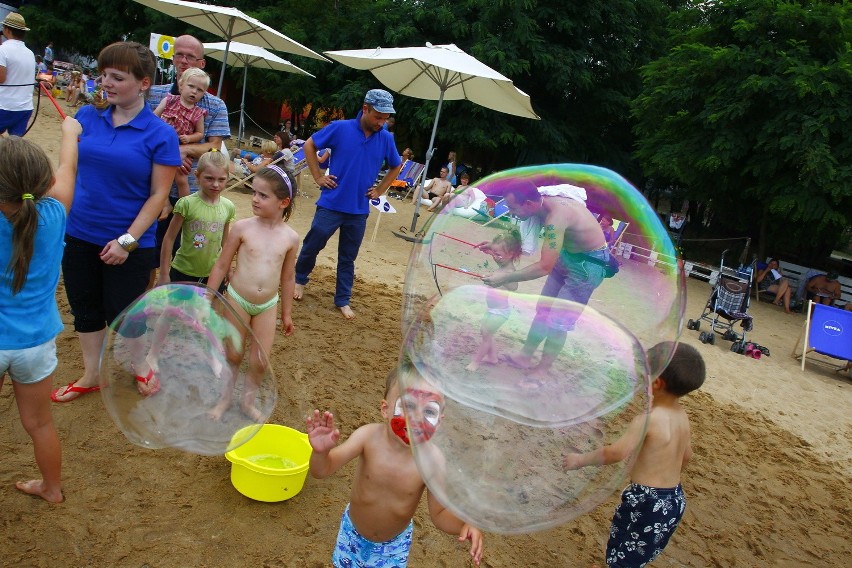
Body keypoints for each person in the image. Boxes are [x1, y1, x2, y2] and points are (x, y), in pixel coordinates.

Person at [51, 41, 181, 403]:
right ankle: (92, 373)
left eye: (117, 77)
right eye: (103, 74)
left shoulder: (160, 134)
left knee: (128, 316)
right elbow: (70, 170)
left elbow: (159, 196)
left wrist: (128, 241)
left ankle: (140, 366)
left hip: (131, 242)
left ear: (143, 84)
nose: (105, 82)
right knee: (85, 307)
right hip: (79, 233)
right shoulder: (87, 118)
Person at [306, 364, 484, 567]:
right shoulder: (367, 437)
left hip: (392, 548)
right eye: (408, 405)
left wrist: (465, 525)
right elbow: (321, 470)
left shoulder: (432, 461)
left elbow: (439, 515)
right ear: (385, 409)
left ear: (439, 422)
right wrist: (321, 453)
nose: (416, 418)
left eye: (429, 411)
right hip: (352, 535)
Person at [563, 341, 706, 568]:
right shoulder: (682, 416)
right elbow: (686, 456)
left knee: (626, 548)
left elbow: (616, 452)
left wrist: (580, 460)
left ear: (656, 383)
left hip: (647, 501)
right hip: (674, 500)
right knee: (633, 548)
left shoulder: (647, 420)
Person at [0, 118, 81, 503]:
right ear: (43, 184)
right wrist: (70, 133)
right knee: (39, 423)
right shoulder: (53, 214)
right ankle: (52, 489)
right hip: (36, 344)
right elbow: (68, 169)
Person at [481, 181, 610, 384]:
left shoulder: (555, 219)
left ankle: (542, 369)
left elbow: (544, 267)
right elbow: (522, 237)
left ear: (530, 204)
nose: (512, 213)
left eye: (514, 209)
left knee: (558, 321)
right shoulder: (540, 203)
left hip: (588, 266)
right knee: (544, 309)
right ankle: (525, 356)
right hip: (566, 255)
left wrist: (505, 277)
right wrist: (496, 246)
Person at [294, 89, 403, 319]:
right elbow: (309, 145)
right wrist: (317, 177)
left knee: (348, 257)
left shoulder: (386, 138)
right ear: (365, 108)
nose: (381, 122)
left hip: (358, 209)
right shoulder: (340, 127)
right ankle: (299, 279)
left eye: (385, 118)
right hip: (331, 203)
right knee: (313, 243)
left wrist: (380, 190)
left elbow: (396, 165)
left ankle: (342, 299)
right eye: (378, 116)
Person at [206, 165, 299, 420]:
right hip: (237, 299)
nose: (255, 199)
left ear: (283, 202)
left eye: (263, 195)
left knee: (259, 360)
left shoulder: (291, 238)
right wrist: (208, 296)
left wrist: (287, 314)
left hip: (268, 305)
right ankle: (225, 399)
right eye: (254, 193)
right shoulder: (242, 228)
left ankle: (247, 402)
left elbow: (288, 276)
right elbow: (222, 264)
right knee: (234, 354)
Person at [149, 34, 231, 275]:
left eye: (190, 57)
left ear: (202, 63)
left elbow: (214, 146)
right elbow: (146, 133)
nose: (184, 60)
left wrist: (181, 150)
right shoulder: (157, 95)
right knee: (149, 257)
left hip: (194, 194)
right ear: (173, 58)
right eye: (179, 55)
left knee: (186, 255)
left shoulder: (215, 105)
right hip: (151, 189)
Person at [157, 149, 235, 288]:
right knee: (179, 309)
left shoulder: (228, 207)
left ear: (227, 178)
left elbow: (226, 243)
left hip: (213, 272)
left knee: (209, 308)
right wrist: (163, 273)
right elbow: (169, 238)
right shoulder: (186, 204)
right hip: (183, 270)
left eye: (221, 179)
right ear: (197, 176)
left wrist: (227, 269)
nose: (216, 184)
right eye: (209, 178)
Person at [467, 231, 523, 372]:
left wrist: (503, 280)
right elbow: (496, 277)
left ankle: (475, 362)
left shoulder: (509, 271)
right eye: (494, 254)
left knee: (486, 334)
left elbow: (514, 286)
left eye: (498, 255)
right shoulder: (502, 266)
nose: (495, 258)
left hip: (500, 312)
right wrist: (490, 276)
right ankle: (492, 358)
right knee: (485, 332)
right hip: (492, 309)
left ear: (510, 254)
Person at [153, 67, 209, 200]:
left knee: (181, 178)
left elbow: (200, 133)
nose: (194, 91)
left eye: (200, 90)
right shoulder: (169, 100)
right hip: (161, 143)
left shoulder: (198, 113)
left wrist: (189, 138)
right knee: (156, 175)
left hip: (180, 147)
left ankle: (184, 205)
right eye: (191, 86)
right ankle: (163, 203)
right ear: (181, 85)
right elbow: (154, 117)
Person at [0, 12, 36, 137]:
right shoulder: (30, 53)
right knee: (15, 147)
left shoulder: (3, 50)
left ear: (7, 30)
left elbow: (1, 79)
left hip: (4, 105)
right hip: (24, 107)